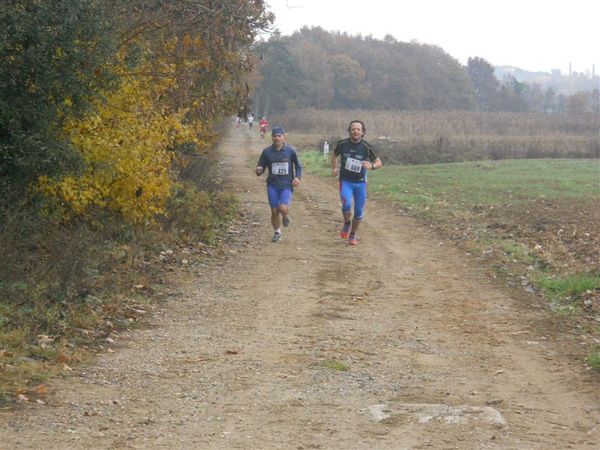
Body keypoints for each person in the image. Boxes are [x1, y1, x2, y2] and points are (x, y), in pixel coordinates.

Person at [331, 120, 382, 245]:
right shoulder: (342, 144)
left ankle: (353, 235)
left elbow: (379, 162)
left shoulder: (366, 146)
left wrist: (372, 166)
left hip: (360, 183)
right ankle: (347, 223)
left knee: (359, 212)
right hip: (346, 181)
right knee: (347, 205)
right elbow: (334, 155)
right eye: (353, 129)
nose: (356, 131)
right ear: (349, 131)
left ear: (363, 132)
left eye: (358, 129)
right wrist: (334, 168)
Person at [256, 126, 302, 242]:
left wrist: (297, 177)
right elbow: (260, 167)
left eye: (279, 136)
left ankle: (285, 215)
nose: (277, 138)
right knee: (274, 211)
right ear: (271, 137)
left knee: (282, 207)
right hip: (272, 184)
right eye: (274, 136)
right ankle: (277, 232)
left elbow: (298, 166)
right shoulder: (266, 152)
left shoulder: (290, 151)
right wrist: (259, 170)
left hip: (286, 184)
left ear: (284, 137)